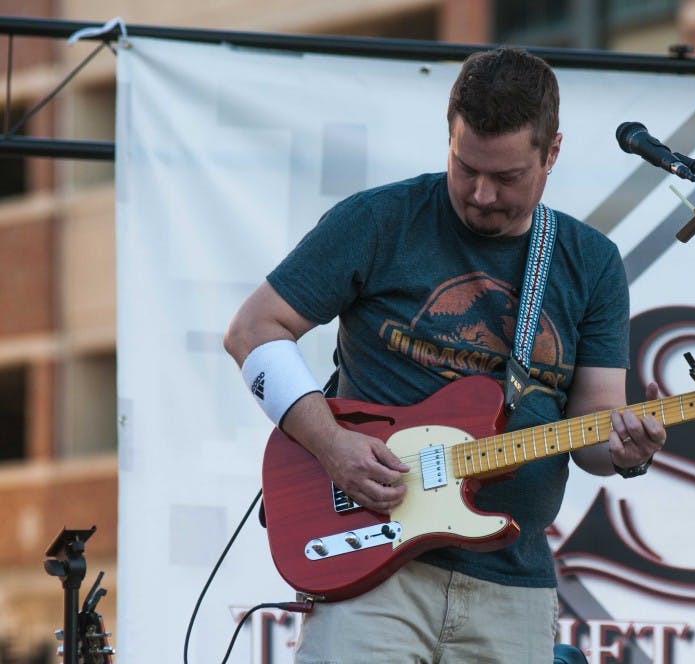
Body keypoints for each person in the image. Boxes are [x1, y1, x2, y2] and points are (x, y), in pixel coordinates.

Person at [224, 46, 667, 664]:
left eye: (508, 177)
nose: (482, 195)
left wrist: (624, 452)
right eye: (465, 167)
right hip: (373, 568)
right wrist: (333, 446)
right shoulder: (381, 220)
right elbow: (252, 329)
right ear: (450, 135)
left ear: (552, 153)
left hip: (513, 580)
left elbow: (593, 427)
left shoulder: (589, 262)